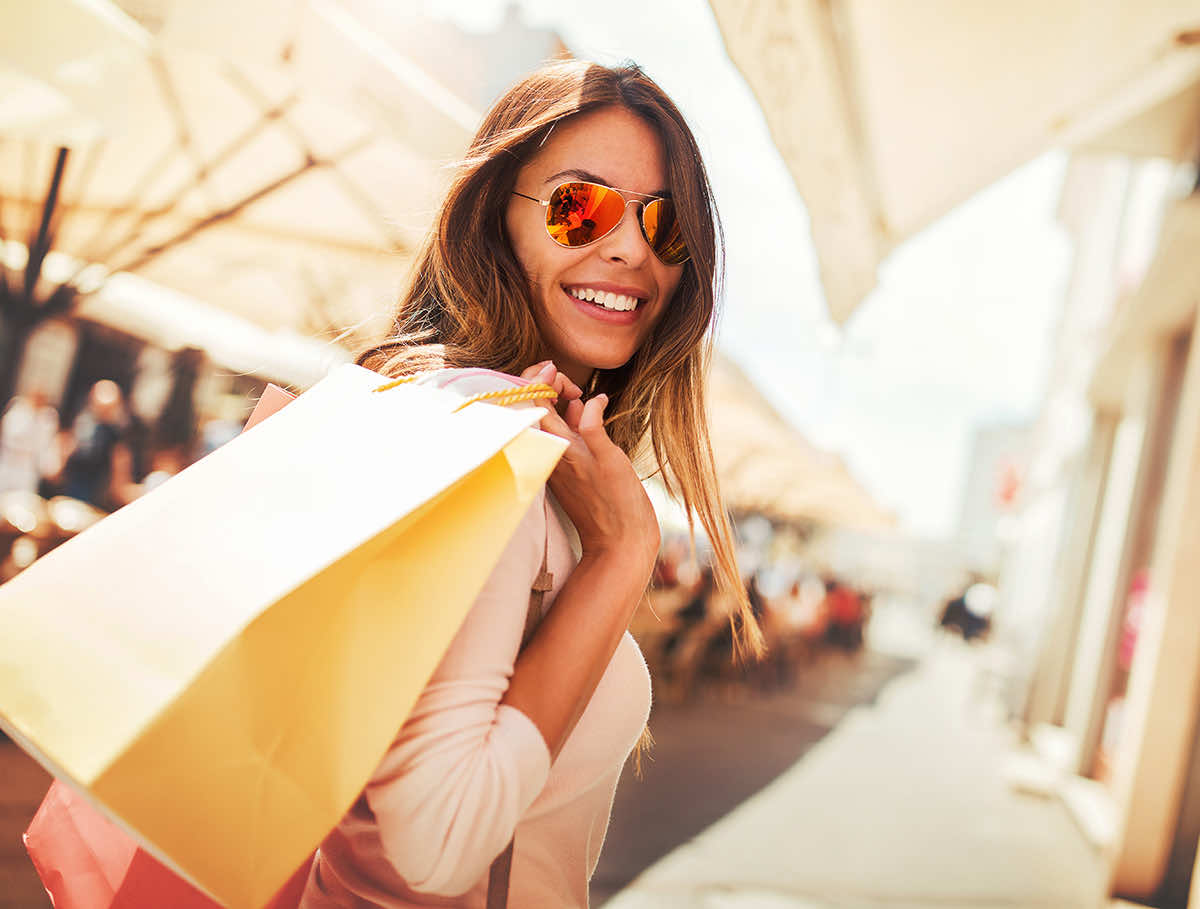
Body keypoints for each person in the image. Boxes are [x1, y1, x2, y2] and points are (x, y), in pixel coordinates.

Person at [301, 60, 762, 908]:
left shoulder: (513, 444)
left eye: (664, 226)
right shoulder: (480, 436)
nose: (628, 248)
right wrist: (623, 555)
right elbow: (435, 846)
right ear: (495, 218)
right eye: (579, 205)